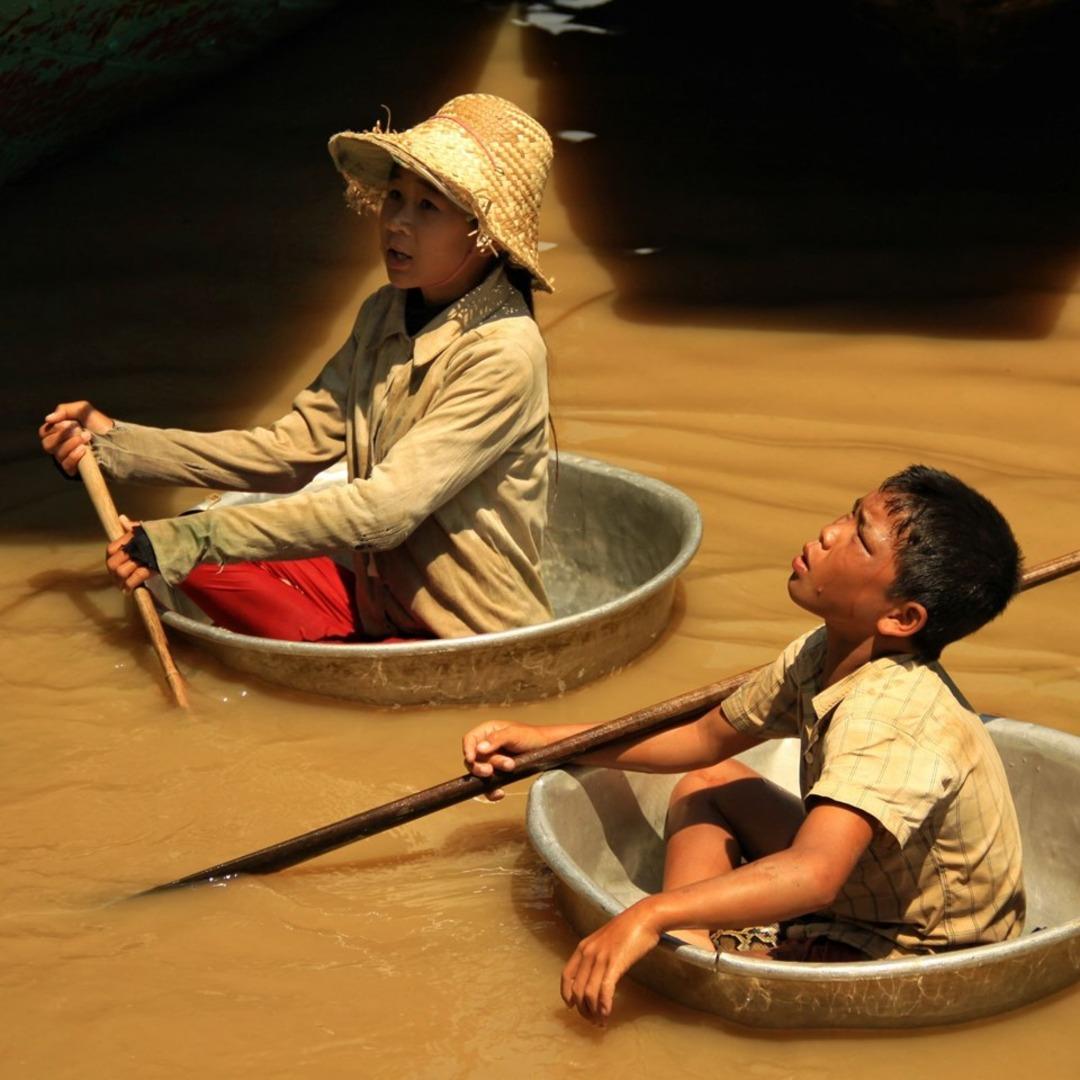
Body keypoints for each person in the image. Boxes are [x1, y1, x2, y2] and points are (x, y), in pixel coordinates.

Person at [463, 465, 1025, 1025]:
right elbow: (703, 737)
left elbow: (814, 874)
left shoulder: (890, 716)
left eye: (859, 538)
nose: (828, 533)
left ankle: (687, 949)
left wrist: (646, 913)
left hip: (916, 938)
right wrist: (544, 743)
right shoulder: (822, 651)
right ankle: (692, 944)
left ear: (902, 617)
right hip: (869, 874)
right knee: (708, 784)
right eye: (850, 513)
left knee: (756, 933)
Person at [38, 94, 555, 642]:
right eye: (395, 197)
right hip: (377, 604)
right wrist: (118, 446)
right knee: (189, 546)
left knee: (186, 544)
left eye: (428, 207)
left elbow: (383, 514)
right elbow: (288, 453)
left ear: (483, 233)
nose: (397, 224)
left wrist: (182, 542)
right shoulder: (384, 312)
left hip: (464, 634)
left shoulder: (503, 353)